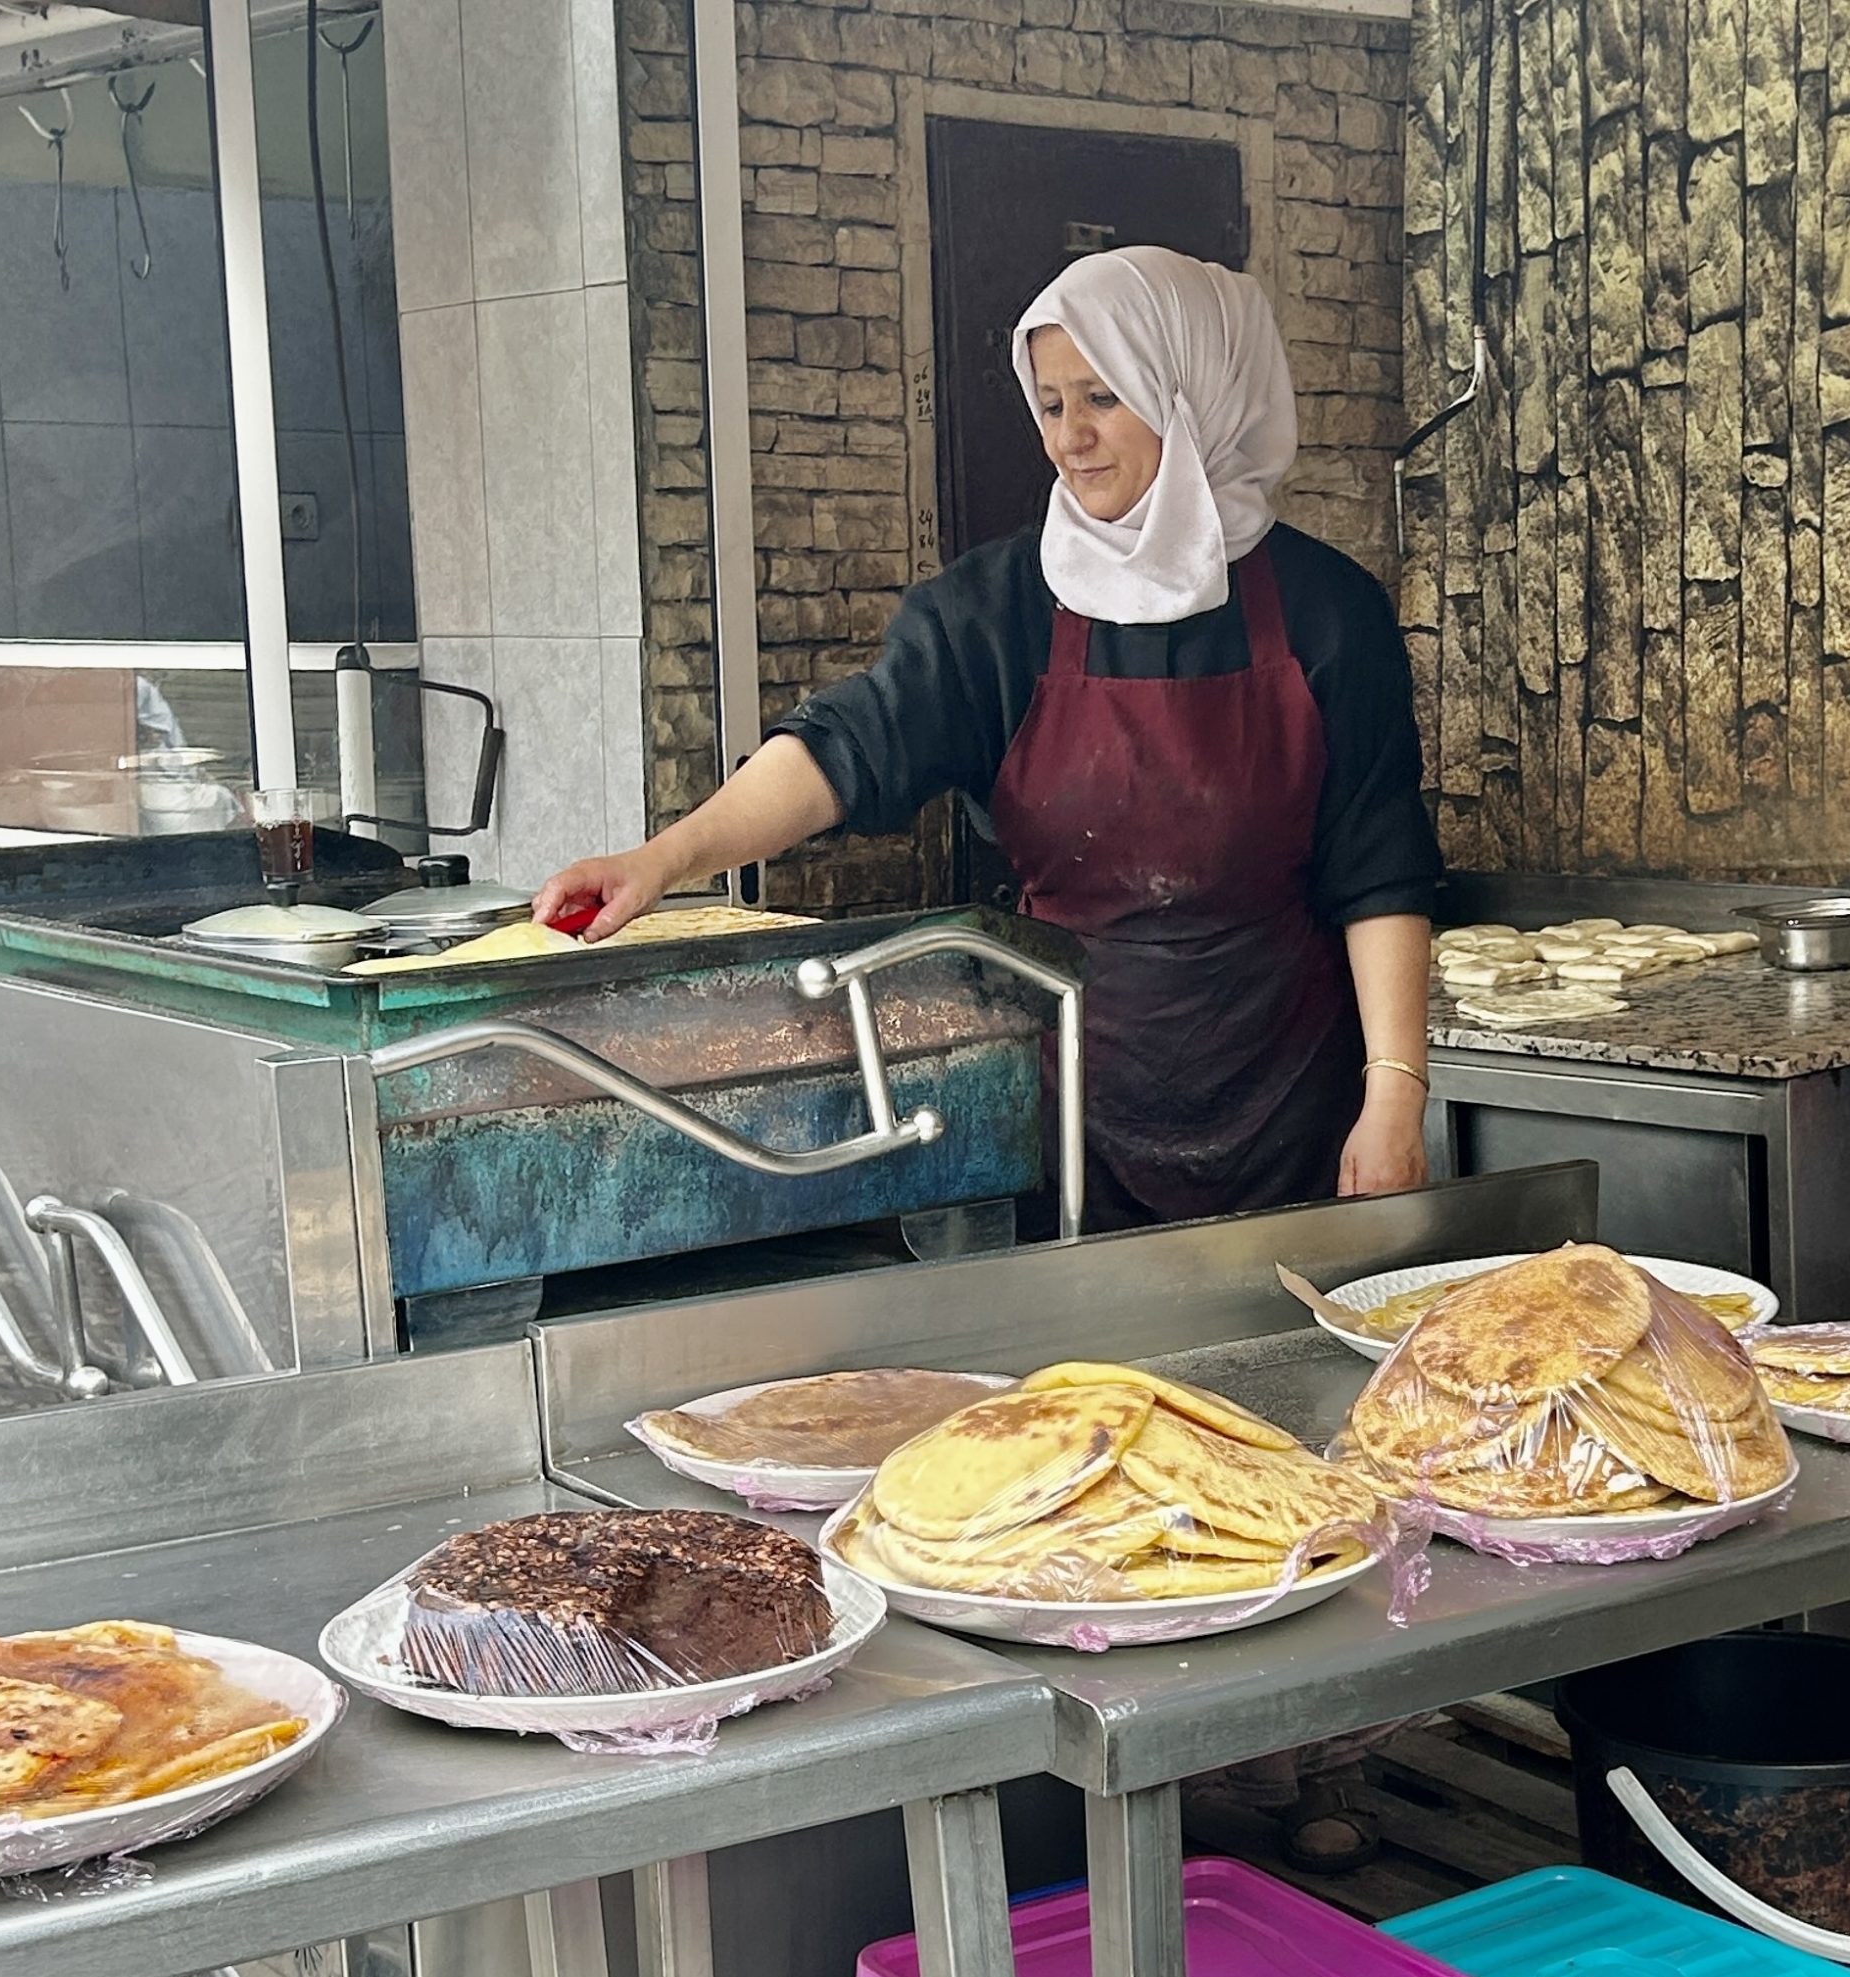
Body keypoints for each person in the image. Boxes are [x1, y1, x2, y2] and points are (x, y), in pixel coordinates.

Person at [540, 245, 1443, 1243]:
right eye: (1051, 405)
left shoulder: (1328, 615)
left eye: (1103, 396)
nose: (1071, 438)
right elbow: (850, 745)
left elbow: (1380, 871)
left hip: (1291, 1110)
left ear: (1193, 391)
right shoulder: (1000, 608)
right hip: (1068, 1109)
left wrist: (1393, 1095)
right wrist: (662, 860)